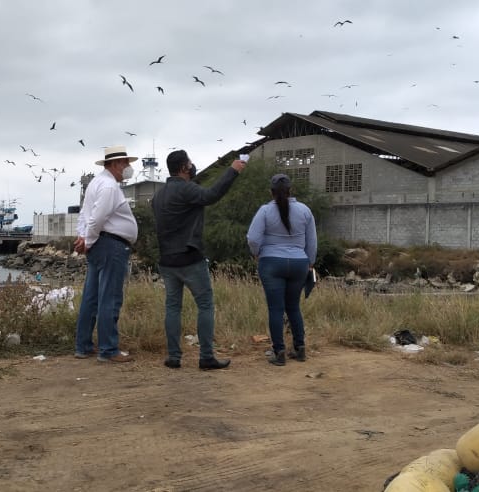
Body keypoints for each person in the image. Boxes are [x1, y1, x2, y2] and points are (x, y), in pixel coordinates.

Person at [152, 150, 246, 370]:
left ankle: (174, 357)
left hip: (167, 260)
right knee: (205, 305)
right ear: (184, 167)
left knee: (173, 307)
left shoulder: (158, 196)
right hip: (190, 258)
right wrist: (232, 171)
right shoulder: (186, 188)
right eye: (190, 163)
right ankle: (206, 357)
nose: (192, 165)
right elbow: (212, 195)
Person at [72, 145, 139, 363]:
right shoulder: (110, 186)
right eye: (126, 163)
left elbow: (85, 215)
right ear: (116, 164)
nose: (128, 167)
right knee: (110, 297)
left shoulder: (95, 183)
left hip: (99, 244)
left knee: (91, 297)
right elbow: (98, 218)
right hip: (111, 245)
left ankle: (83, 346)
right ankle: (108, 349)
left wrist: (84, 238)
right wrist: (88, 241)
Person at [246, 174, 317, 366]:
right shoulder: (304, 210)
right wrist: (310, 262)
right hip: (299, 263)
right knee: (293, 307)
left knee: (275, 309)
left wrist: (257, 253)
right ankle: (300, 348)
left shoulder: (265, 211)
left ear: (271, 192)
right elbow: (312, 241)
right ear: (290, 190)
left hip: (271, 263)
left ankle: (279, 352)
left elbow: (253, 238)